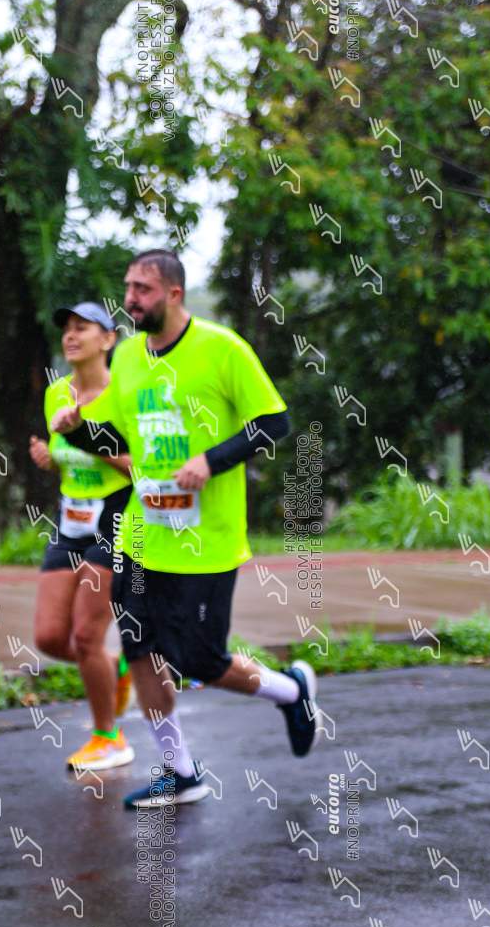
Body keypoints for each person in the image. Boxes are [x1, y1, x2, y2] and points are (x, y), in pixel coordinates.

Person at [49, 251, 319, 809]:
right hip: (141, 534)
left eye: (143, 289)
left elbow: (274, 422)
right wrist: (77, 432)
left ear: (174, 294)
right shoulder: (127, 357)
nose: (131, 299)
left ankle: (290, 691)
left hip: (206, 541)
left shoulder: (221, 348)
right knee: (140, 647)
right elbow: (121, 441)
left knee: (199, 660)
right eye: (128, 287)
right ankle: (179, 771)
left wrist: (211, 461)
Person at [30, 301, 135, 772]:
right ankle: (113, 669)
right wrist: (51, 457)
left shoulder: (125, 395)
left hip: (116, 516)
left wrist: (84, 436)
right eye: (66, 329)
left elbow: (142, 467)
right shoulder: (57, 392)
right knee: (51, 637)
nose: (70, 336)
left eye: (82, 328)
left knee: (86, 635)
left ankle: (108, 737)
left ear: (108, 339)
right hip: (71, 519)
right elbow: (65, 457)